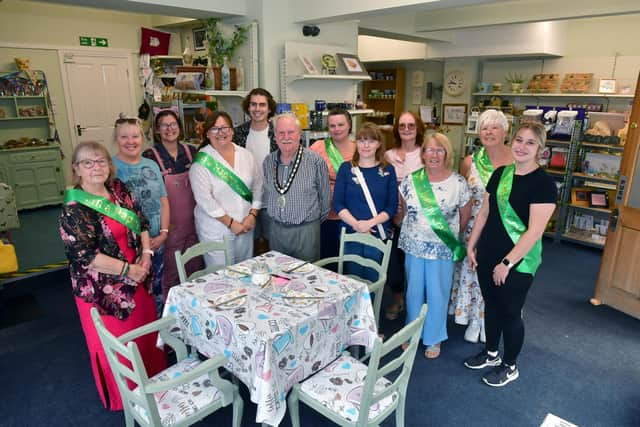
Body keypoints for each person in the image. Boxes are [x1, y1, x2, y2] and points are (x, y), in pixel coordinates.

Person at [59, 141, 167, 411]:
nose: (96, 167)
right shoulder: (73, 209)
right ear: (77, 169)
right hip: (102, 290)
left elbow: (141, 221)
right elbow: (87, 257)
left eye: (101, 161)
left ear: (109, 165)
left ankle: (154, 383)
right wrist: (129, 270)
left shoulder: (120, 191)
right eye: (88, 162)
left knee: (144, 335)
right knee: (119, 343)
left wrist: (145, 254)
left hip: (137, 276)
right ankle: (126, 398)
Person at [464, 122, 556, 387]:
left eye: (530, 142)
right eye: (519, 140)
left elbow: (534, 232)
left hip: (518, 261)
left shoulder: (544, 184)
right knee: (490, 305)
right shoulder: (501, 173)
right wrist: (472, 245)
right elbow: (484, 213)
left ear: (540, 148)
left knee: (510, 312)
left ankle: (510, 365)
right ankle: (492, 353)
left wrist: (507, 263)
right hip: (488, 253)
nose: (522, 146)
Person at [399, 132, 471, 359]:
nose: (434, 154)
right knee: (413, 293)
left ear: (447, 154)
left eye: (440, 150)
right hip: (414, 247)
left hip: (442, 250)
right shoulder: (411, 180)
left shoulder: (458, 183)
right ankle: (412, 333)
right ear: (423, 153)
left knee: (438, 294)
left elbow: (464, 217)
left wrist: (445, 237)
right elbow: (404, 212)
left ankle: (434, 338)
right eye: (430, 149)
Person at [449, 109, 514, 343]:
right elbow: (462, 197)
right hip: (474, 228)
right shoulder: (470, 161)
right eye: (484, 127)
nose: (488, 131)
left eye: (494, 127)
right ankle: (474, 319)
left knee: (497, 275)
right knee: (474, 274)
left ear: (505, 132)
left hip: (504, 229)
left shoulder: (517, 159)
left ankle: (491, 320)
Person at [142, 109, 202, 301]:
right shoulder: (150, 156)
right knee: (171, 271)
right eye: (164, 125)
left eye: (173, 124)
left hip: (194, 223)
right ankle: (172, 313)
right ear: (157, 130)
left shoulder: (192, 151)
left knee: (195, 267)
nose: (170, 129)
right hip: (169, 226)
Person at [112, 115, 169, 316]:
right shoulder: (110, 169)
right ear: (116, 140)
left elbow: (164, 200)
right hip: (130, 246)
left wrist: (163, 233)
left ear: (142, 138)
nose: (130, 141)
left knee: (158, 287)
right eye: (124, 137)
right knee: (135, 294)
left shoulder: (152, 165)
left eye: (135, 136)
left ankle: (160, 337)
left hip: (157, 240)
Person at [189, 111, 263, 266]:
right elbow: (205, 200)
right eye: (215, 129)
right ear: (207, 133)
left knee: (245, 272)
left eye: (225, 128)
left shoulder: (246, 155)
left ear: (232, 130)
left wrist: (252, 214)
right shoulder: (201, 162)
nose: (221, 133)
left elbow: (258, 186)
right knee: (221, 279)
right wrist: (231, 224)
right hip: (216, 230)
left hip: (245, 225)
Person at [333, 122, 397, 281]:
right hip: (350, 232)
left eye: (371, 141)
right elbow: (338, 204)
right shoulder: (346, 169)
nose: (366, 145)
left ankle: (372, 307)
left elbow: (391, 206)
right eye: (361, 140)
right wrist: (357, 225)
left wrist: (369, 224)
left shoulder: (388, 170)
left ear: (379, 144)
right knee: (351, 280)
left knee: (372, 279)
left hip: (376, 233)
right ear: (356, 143)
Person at [262, 113, 330, 261]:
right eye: (281, 133)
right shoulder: (268, 161)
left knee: (307, 276)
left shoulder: (315, 161)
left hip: (306, 232)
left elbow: (325, 202)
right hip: (276, 231)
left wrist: (310, 225)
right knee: (278, 276)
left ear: (299, 134)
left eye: (291, 132)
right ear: (275, 136)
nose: (286, 137)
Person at [383, 111, 426, 321]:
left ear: (418, 129)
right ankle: (397, 298)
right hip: (393, 218)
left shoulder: (425, 154)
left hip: (419, 220)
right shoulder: (388, 155)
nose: (406, 130)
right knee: (395, 263)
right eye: (402, 126)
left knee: (416, 264)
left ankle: (416, 304)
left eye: (411, 125)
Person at [233, 88, 278, 253]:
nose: (257, 109)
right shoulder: (238, 134)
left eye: (262, 105)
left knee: (271, 246)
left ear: (269, 108)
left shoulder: (278, 133)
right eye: (253, 104)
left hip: (271, 202)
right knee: (248, 248)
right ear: (248, 107)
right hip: (244, 201)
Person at [310, 108, 357, 259]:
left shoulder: (359, 149)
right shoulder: (318, 147)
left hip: (352, 216)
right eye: (332, 126)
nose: (336, 129)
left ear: (349, 125)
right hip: (325, 216)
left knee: (348, 260)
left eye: (341, 125)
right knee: (328, 259)